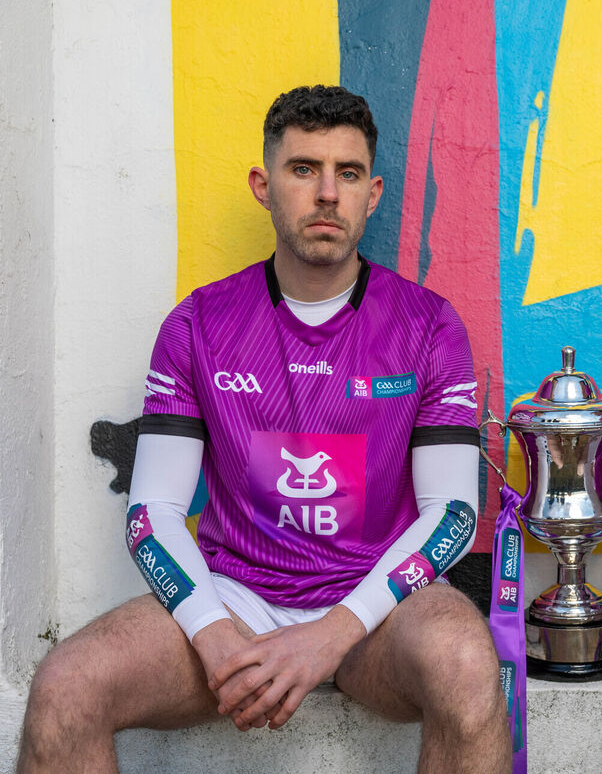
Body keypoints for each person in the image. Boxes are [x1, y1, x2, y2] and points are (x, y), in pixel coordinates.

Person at [18, 85, 510, 773]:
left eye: (347, 173)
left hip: (379, 614)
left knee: (465, 661)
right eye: (304, 169)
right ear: (264, 185)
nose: (327, 194)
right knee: (66, 687)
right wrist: (212, 632)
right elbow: (153, 511)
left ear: (372, 194)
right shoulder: (199, 325)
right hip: (237, 599)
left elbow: (452, 513)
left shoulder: (428, 326)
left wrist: (334, 632)